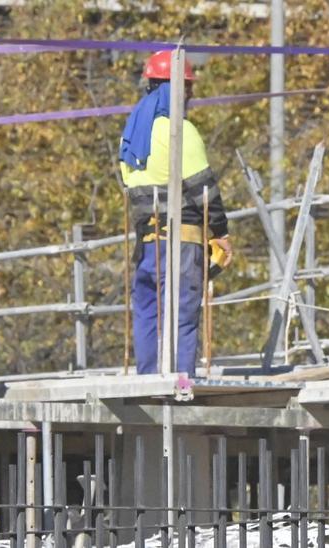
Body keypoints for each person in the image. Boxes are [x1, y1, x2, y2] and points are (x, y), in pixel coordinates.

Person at [118, 50, 232, 375]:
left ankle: (148, 387)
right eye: (189, 88)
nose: (192, 95)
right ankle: (181, 389)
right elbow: (204, 191)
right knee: (181, 317)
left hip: (146, 248)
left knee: (148, 317)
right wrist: (221, 234)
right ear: (175, 88)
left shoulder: (130, 137)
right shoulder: (179, 131)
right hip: (180, 247)